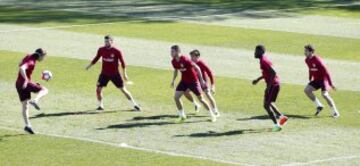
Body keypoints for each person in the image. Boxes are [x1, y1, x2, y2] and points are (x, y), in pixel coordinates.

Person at [86, 35, 141, 111]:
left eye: (108, 41)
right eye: (105, 41)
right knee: (98, 90)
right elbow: (96, 58)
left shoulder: (117, 51)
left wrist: (124, 74)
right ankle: (100, 106)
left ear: (112, 41)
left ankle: (135, 105)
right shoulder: (101, 49)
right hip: (104, 74)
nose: (106, 43)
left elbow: (123, 63)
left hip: (115, 74)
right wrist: (89, 65)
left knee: (123, 90)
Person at [170, 45, 217, 122]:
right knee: (176, 97)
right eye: (171, 51)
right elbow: (176, 70)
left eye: (172, 51)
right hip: (184, 81)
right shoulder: (173, 61)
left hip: (193, 81)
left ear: (178, 52)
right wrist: (173, 80)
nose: (171, 53)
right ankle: (182, 116)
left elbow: (197, 68)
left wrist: (201, 80)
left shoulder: (185, 59)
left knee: (201, 99)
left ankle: (212, 115)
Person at [252, 45, 288, 132]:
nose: (254, 53)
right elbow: (266, 73)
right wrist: (258, 79)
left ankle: (277, 125)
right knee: (269, 103)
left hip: (273, 85)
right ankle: (282, 117)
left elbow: (273, 73)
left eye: (256, 51)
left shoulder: (263, 61)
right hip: (274, 84)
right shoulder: (263, 60)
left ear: (261, 52)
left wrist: (268, 87)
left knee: (266, 105)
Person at [15, 48, 49, 134]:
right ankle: (35, 100)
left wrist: (28, 80)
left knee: (25, 106)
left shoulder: (28, 56)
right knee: (44, 90)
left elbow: (19, 64)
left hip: (18, 84)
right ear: (40, 55)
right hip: (25, 83)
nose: (43, 59)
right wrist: (26, 80)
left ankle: (28, 125)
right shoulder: (32, 62)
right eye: (43, 57)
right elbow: (22, 68)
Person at [303, 44, 339, 118]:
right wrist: (310, 77)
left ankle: (335, 112)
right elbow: (310, 69)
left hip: (323, 80)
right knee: (307, 90)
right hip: (316, 80)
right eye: (305, 50)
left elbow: (326, 72)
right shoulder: (307, 60)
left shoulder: (317, 59)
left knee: (325, 95)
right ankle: (319, 105)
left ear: (311, 52)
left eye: (306, 51)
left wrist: (331, 84)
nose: (304, 52)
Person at [183, 49, 220, 117]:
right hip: (194, 82)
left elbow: (210, 73)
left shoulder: (201, 63)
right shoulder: (190, 63)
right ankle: (196, 104)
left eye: (193, 56)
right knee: (185, 92)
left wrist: (213, 85)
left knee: (208, 95)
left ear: (197, 57)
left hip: (203, 82)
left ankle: (215, 111)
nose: (191, 58)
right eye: (191, 56)